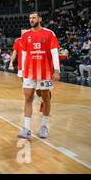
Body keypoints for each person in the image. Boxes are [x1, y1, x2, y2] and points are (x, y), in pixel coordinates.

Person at [18, 12, 60, 140]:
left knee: (46, 98)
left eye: (34, 17)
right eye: (30, 17)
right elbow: (24, 54)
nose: (31, 19)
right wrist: (21, 71)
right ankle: (26, 129)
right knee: (28, 98)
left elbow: (54, 52)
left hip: (45, 73)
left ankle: (44, 126)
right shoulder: (25, 35)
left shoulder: (49, 33)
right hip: (30, 73)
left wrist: (57, 70)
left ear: (40, 19)